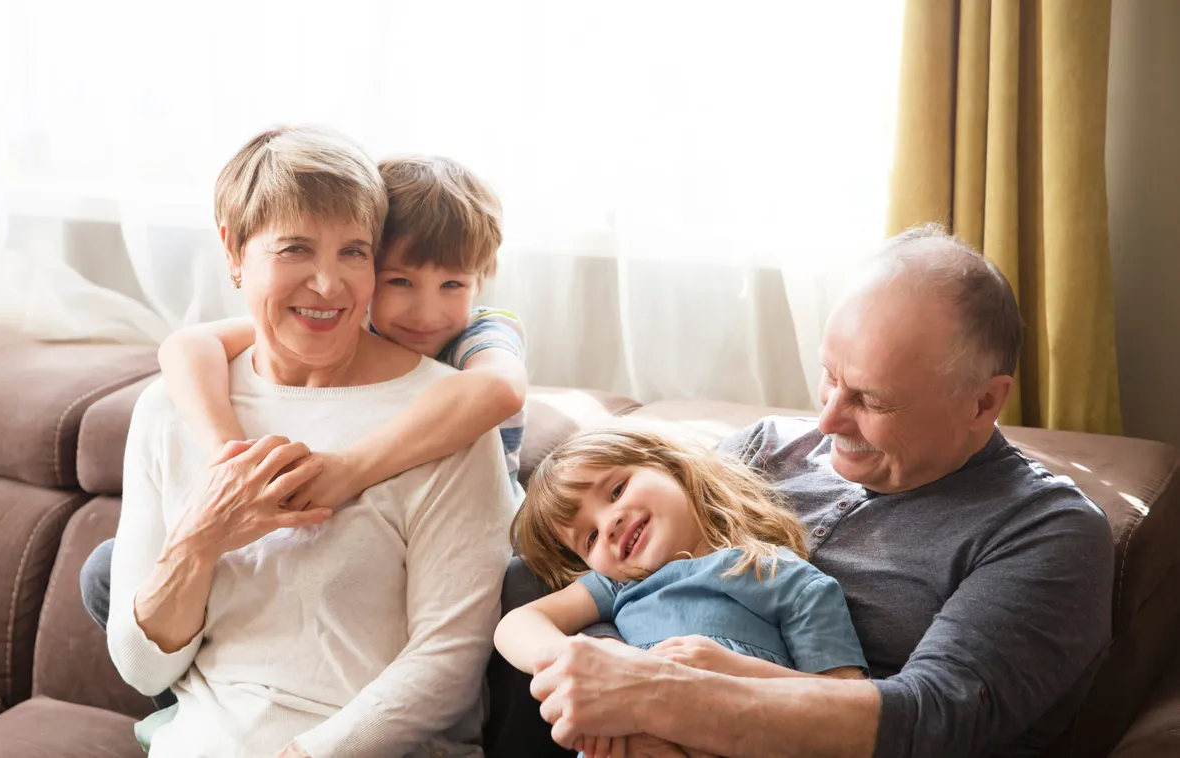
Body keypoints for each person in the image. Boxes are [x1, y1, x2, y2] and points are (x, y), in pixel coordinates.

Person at [498, 225, 1115, 758]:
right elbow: (615, 588)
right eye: (829, 377)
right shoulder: (764, 448)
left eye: (871, 400)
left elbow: (931, 718)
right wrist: (629, 706)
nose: (826, 422)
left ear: (984, 401)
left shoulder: (1046, 531)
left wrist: (673, 703)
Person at [100, 125, 515, 758]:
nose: (328, 284)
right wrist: (201, 538)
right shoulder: (170, 408)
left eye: (354, 251)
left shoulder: (445, 417)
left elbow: (446, 667)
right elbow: (142, 669)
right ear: (234, 251)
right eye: (295, 249)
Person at [153, 154, 528, 504]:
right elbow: (186, 344)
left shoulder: (481, 332)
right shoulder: (351, 324)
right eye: (399, 282)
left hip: (493, 528)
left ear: (478, 281)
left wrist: (351, 469)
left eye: (453, 286)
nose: (427, 314)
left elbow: (500, 387)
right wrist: (229, 452)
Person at [496, 426, 868, 757]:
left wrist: (731, 670)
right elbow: (517, 624)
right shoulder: (621, 584)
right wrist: (584, 660)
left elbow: (848, 704)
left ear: (670, 467)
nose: (608, 524)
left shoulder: (782, 575)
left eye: (616, 490)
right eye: (589, 538)